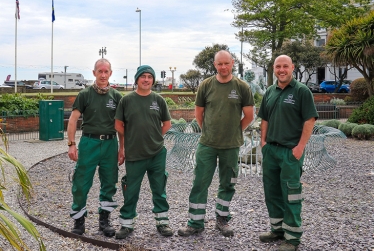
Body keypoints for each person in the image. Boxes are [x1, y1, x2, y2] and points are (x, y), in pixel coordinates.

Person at [178, 50, 254, 237]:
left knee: (228, 183)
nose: (223, 67)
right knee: (200, 182)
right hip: (207, 145)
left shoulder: (241, 87)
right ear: (214, 65)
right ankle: (195, 222)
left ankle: (222, 220)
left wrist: (235, 131)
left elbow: (249, 116)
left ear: (232, 63)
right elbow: (198, 115)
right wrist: (209, 131)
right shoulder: (206, 85)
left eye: (226, 63)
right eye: (219, 64)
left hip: (231, 146)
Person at [258, 55, 318, 251]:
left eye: (285, 66)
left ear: (292, 67)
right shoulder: (270, 91)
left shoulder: (302, 91)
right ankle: (277, 230)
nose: (281, 70)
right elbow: (264, 119)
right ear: (273, 68)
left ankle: (292, 238)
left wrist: (300, 147)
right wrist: (263, 143)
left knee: (291, 194)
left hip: (290, 152)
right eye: (278, 66)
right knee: (272, 191)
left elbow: (310, 120)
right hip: (271, 151)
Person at [114, 65, 173, 239]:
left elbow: (167, 124)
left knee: (159, 189)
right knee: (131, 189)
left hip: (157, 153)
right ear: (137, 79)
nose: (146, 79)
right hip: (134, 154)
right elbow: (118, 125)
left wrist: (155, 137)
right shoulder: (127, 100)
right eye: (143, 76)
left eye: (149, 77)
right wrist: (123, 146)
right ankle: (127, 224)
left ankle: (162, 222)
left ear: (153, 80)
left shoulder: (158, 100)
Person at [67, 58, 123, 237]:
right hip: (89, 143)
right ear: (94, 73)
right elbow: (73, 119)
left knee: (109, 182)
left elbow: (122, 125)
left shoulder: (116, 97)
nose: (103, 75)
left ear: (111, 73)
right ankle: (79, 220)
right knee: (81, 182)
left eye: (107, 72)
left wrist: (122, 148)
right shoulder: (85, 94)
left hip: (109, 143)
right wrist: (71, 144)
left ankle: (104, 220)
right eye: (100, 71)